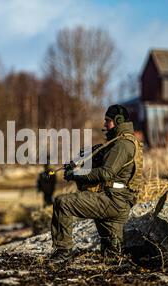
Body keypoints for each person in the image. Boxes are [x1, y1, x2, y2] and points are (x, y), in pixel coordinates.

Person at [49, 104, 143, 263]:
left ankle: (63, 252)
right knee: (113, 256)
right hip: (117, 200)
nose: (105, 125)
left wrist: (77, 175)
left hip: (112, 200)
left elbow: (106, 173)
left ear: (118, 120)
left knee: (62, 203)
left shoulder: (122, 144)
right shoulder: (120, 141)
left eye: (108, 121)